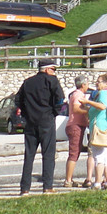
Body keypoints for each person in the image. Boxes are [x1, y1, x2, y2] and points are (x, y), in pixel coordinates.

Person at [16, 58, 65, 195]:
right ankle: (47, 186)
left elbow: (18, 100)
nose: (55, 72)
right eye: (54, 69)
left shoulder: (28, 82)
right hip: (46, 121)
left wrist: (26, 114)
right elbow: (60, 99)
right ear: (48, 69)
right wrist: (54, 113)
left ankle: (25, 188)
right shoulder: (52, 81)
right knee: (48, 154)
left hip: (30, 122)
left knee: (29, 155)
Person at [63, 76, 96, 187]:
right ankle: (68, 180)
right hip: (75, 125)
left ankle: (69, 179)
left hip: (77, 125)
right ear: (83, 85)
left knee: (75, 152)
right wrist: (89, 109)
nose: (88, 86)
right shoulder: (78, 95)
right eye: (87, 84)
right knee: (74, 153)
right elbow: (76, 109)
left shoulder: (76, 94)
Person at [86, 74, 107, 189]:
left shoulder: (103, 93)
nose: (96, 83)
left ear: (106, 84)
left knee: (98, 156)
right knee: (106, 157)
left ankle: (98, 182)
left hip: (101, 128)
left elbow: (102, 106)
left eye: (99, 81)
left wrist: (88, 102)